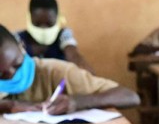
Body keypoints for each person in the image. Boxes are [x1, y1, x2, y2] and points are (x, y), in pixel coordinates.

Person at [0, 24, 140, 115]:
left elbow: (129, 97)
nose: (12, 75)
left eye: (17, 64)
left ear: (22, 47)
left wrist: (77, 101)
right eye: (1, 74)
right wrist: (8, 105)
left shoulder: (56, 71)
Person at [15, 0, 94, 73]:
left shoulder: (64, 36)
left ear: (57, 19)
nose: (43, 29)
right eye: (37, 24)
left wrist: (85, 74)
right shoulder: (16, 39)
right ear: (29, 18)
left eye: (49, 24)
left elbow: (74, 56)